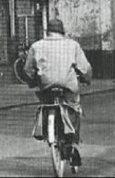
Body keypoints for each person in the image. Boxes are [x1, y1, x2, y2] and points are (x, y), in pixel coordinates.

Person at [24, 18, 92, 168]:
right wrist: (87, 79)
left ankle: (46, 129)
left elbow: (28, 69)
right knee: (74, 106)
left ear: (47, 32)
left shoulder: (36, 45)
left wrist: (32, 81)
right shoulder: (73, 45)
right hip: (67, 86)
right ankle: (72, 142)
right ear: (63, 32)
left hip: (46, 86)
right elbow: (85, 68)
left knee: (45, 103)